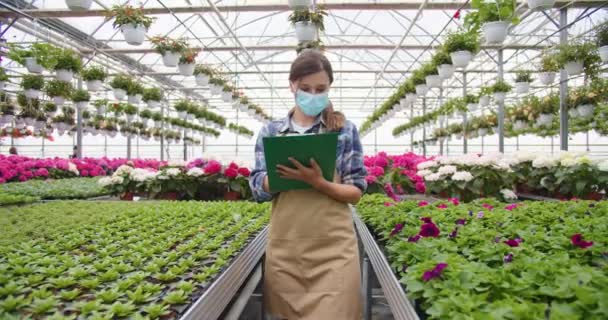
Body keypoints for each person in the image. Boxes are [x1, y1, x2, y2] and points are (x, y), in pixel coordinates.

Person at [250, 49, 367, 319]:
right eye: (305, 88)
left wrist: (318, 182)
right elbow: (257, 188)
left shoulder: (343, 130)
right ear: (292, 85)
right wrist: (281, 176)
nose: (313, 95)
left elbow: (356, 190)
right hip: (287, 250)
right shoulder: (272, 132)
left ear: (329, 88)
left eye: (320, 88)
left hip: (334, 251)